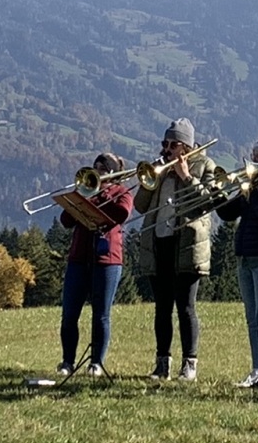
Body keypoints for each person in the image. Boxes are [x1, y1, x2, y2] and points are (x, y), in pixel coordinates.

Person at [133, 119, 223, 381]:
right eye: (165, 143)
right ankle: (162, 364)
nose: (167, 149)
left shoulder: (205, 166)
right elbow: (140, 206)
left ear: (186, 147)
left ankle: (189, 363)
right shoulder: (160, 168)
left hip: (187, 244)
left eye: (173, 145)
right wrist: (150, 180)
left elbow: (208, 202)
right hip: (159, 242)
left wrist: (186, 176)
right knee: (162, 307)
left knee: (186, 307)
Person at [57, 153, 135, 378]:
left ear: (111, 173)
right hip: (79, 258)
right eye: (95, 167)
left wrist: (100, 196)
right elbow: (66, 220)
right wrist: (80, 196)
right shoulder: (84, 192)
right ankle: (67, 361)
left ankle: (96, 363)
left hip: (107, 259)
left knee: (101, 315)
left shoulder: (122, 193)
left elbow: (121, 214)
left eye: (102, 168)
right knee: (69, 314)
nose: (97, 171)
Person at [216, 136, 258, 392]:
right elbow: (227, 213)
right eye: (253, 156)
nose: (253, 161)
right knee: (252, 319)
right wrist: (216, 193)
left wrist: (254, 192)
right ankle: (257, 369)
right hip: (244, 255)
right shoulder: (253, 188)